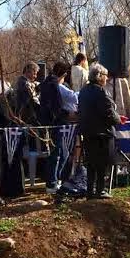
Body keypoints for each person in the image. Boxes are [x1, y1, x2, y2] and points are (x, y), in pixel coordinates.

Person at [78, 64, 122, 198]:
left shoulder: (83, 91)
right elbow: (109, 113)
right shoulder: (101, 92)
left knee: (91, 163)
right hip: (102, 133)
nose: (107, 78)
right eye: (105, 75)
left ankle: (90, 191)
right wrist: (118, 120)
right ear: (99, 77)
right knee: (102, 163)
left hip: (87, 132)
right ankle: (101, 190)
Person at [39, 61, 71, 193]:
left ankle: (55, 180)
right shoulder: (53, 85)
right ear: (63, 75)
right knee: (56, 153)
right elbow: (56, 106)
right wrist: (67, 114)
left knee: (62, 153)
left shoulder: (46, 83)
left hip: (50, 122)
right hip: (54, 123)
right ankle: (51, 183)